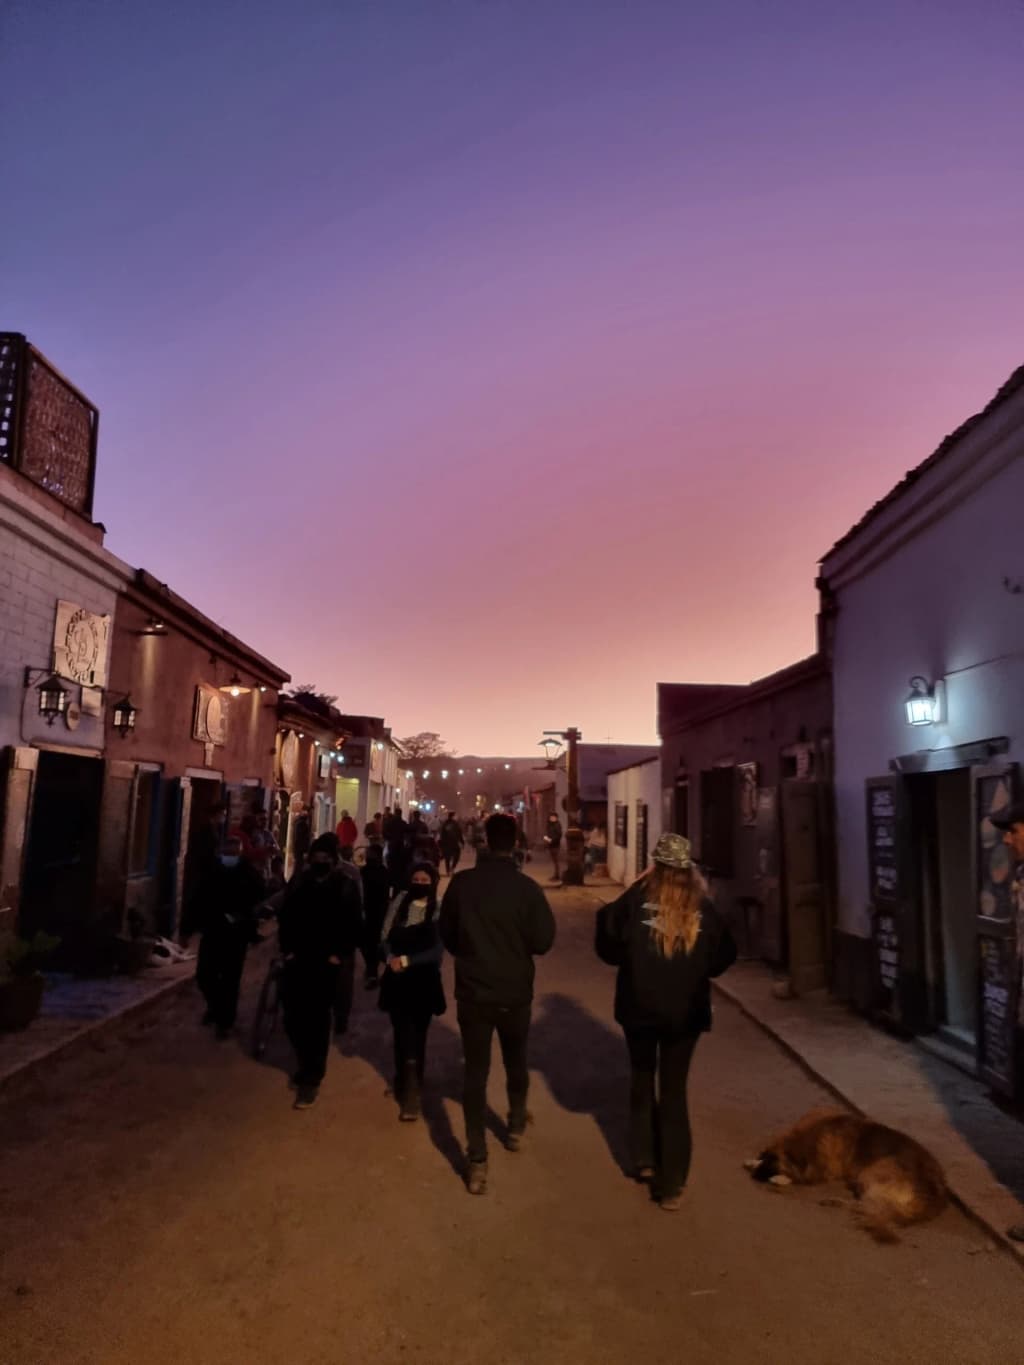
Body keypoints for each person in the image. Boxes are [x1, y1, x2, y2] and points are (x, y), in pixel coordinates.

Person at [594, 833, 736, 1211]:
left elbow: (606, 944)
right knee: (673, 1092)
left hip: (638, 1009)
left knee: (642, 1079)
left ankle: (643, 1158)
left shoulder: (635, 902)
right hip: (685, 1014)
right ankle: (671, 1184)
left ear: (654, 866)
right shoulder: (703, 909)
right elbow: (723, 958)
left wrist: (638, 886)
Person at [440, 813, 556, 1195]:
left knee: (475, 1072)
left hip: (474, 993)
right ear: (516, 842)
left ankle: (477, 1160)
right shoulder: (527, 890)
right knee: (515, 1060)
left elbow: (449, 936)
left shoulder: (462, 884)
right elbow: (542, 942)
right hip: (514, 994)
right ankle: (517, 1125)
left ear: (485, 840)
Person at [278, 835, 363, 1109]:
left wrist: (340, 954)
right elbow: (287, 917)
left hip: (327, 962)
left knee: (316, 1018)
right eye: (316, 857)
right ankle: (305, 1062)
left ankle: (312, 1077)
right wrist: (287, 949)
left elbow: (353, 923)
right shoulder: (301, 884)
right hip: (298, 958)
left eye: (325, 858)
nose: (320, 862)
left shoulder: (345, 886)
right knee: (292, 1016)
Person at [378, 862, 446, 1121]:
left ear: (433, 882)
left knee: (418, 1033)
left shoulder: (438, 908)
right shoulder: (400, 902)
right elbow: (384, 934)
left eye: (424, 880)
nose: (419, 883)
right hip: (396, 980)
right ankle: (403, 1080)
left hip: (424, 981)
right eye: (415, 878)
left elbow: (438, 950)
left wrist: (407, 961)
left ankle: (412, 1090)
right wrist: (390, 957)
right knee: (401, 1031)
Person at [188, 834, 265, 1039]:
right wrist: (191, 926)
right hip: (213, 930)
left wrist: (245, 917)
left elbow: (259, 896)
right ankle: (216, 1007)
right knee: (205, 975)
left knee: (230, 979)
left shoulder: (248, 873)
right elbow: (197, 898)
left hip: (236, 934)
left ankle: (224, 1021)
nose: (229, 856)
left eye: (233, 853)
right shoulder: (211, 871)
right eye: (227, 853)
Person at [334, 841, 365, 1033]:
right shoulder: (309, 873)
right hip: (315, 935)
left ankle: (341, 1017)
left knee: (343, 979)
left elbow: (357, 905)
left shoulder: (350, 874)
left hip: (342, 936)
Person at [360, 843, 392, 988]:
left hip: (371, 912)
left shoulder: (366, 871)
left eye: (369, 853)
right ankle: (372, 970)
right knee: (371, 943)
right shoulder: (383, 871)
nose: (367, 856)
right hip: (378, 912)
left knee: (369, 943)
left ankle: (372, 972)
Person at [440, 811, 464, 877]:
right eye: (456, 816)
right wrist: (462, 842)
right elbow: (459, 834)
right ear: (453, 816)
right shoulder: (456, 824)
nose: (457, 817)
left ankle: (448, 871)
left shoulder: (445, 823)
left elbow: (442, 834)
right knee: (457, 856)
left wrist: (442, 843)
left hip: (446, 843)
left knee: (447, 858)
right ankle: (452, 868)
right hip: (454, 843)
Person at [291, 805, 312, 871]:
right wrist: (304, 850)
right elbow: (300, 838)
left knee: (299, 867)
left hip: (298, 850)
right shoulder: (301, 823)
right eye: (307, 812)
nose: (308, 814)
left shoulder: (300, 822)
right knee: (299, 867)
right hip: (300, 851)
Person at [544, 813, 563, 882]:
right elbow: (548, 833)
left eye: (553, 817)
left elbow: (559, 835)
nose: (552, 818)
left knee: (556, 861)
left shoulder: (557, 825)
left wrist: (552, 840)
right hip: (551, 845)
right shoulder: (549, 825)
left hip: (555, 845)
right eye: (551, 817)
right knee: (555, 861)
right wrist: (546, 838)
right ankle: (556, 875)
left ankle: (557, 875)